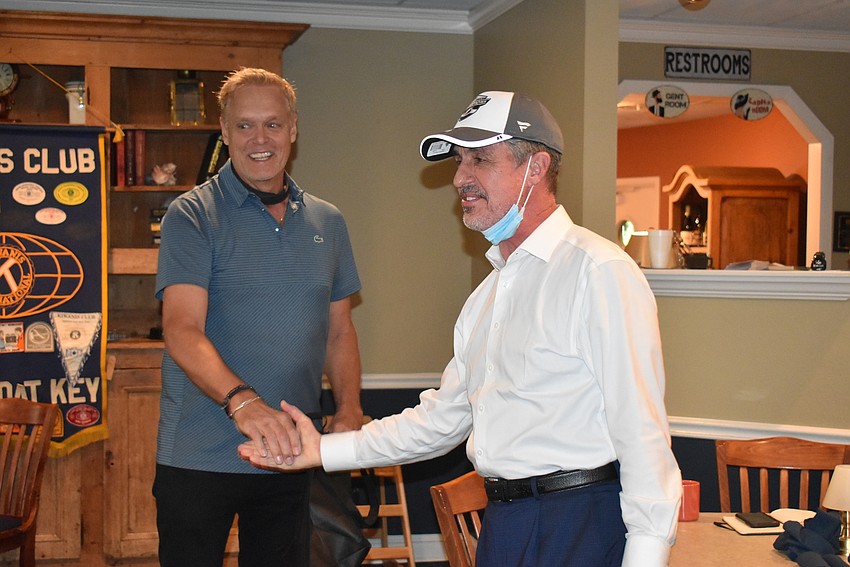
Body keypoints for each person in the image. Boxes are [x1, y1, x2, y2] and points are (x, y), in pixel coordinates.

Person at [239, 90, 681, 566]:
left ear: (534, 168)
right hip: (504, 523)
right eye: (459, 161)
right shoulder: (486, 298)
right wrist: (322, 451)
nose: (459, 178)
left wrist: (647, 556)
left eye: (480, 160)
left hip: (579, 522)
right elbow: (439, 421)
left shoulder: (597, 272)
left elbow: (642, 434)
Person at [154, 67, 364, 567]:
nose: (259, 139)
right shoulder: (191, 215)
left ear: (293, 128)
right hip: (199, 453)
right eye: (244, 126)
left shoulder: (328, 222)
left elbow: (339, 330)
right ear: (224, 133)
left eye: (272, 124)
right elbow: (181, 329)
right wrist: (244, 404)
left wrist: (350, 409)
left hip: (291, 454)